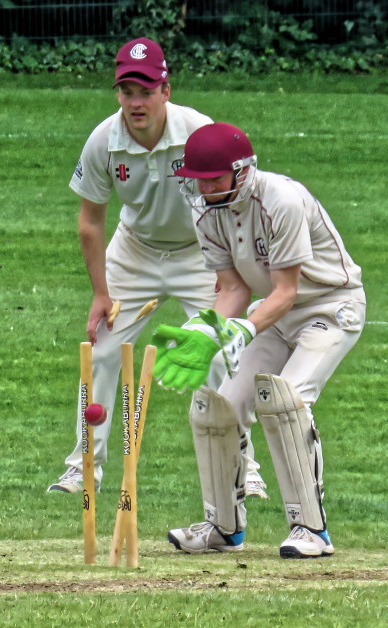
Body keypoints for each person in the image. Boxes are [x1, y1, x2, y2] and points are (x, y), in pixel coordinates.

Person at [47, 38, 256, 495]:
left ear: (166, 89)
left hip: (200, 254)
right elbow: (90, 222)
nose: (135, 103)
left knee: (220, 351)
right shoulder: (105, 140)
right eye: (126, 92)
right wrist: (101, 294)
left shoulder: (199, 131)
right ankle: (84, 467)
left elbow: (233, 204)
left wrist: (228, 270)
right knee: (101, 351)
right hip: (135, 253)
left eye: (145, 91)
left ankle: (244, 465)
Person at [153, 122, 365, 557]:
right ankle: (223, 528)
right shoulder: (206, 210)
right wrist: (203, 331)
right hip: (275, 314)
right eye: (196, 179)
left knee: (287, 399)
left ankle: (311, 530)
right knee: (216, 405)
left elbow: (287, 292)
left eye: (213, 178)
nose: (204, 188)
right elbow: (233, 289)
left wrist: (244, 328)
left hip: (329, 307)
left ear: (242, 170)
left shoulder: (282, 200)